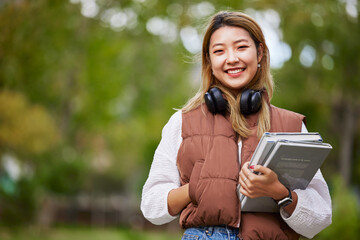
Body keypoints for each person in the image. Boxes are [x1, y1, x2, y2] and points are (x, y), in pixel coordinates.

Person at [141, 11, 332, 240]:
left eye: (241, 47)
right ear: (209, 62)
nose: (231, 58)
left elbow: (321, 216)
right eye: (219, 51)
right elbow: (152, 206)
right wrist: (195, 189)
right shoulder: (182, 122)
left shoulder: (291, 126)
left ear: (259, 53)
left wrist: (278, 192)